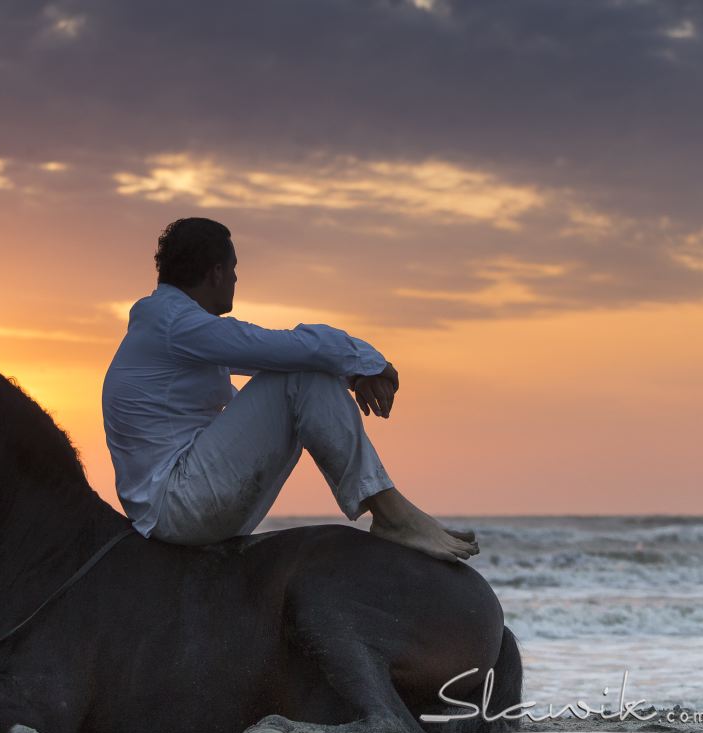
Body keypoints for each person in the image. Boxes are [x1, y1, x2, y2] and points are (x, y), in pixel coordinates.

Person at [101, 218, 478, 562]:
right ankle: (391, 513)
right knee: (302, 375)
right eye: (233, 271)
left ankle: (390, 509)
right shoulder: (176, 324)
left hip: (177, 500)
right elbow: (281, 348)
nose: (235, 280)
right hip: (176, 506)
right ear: (216, 273)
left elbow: (272, 363)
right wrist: (369, 362)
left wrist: (352, 372)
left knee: (303, 372)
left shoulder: (170, 327)